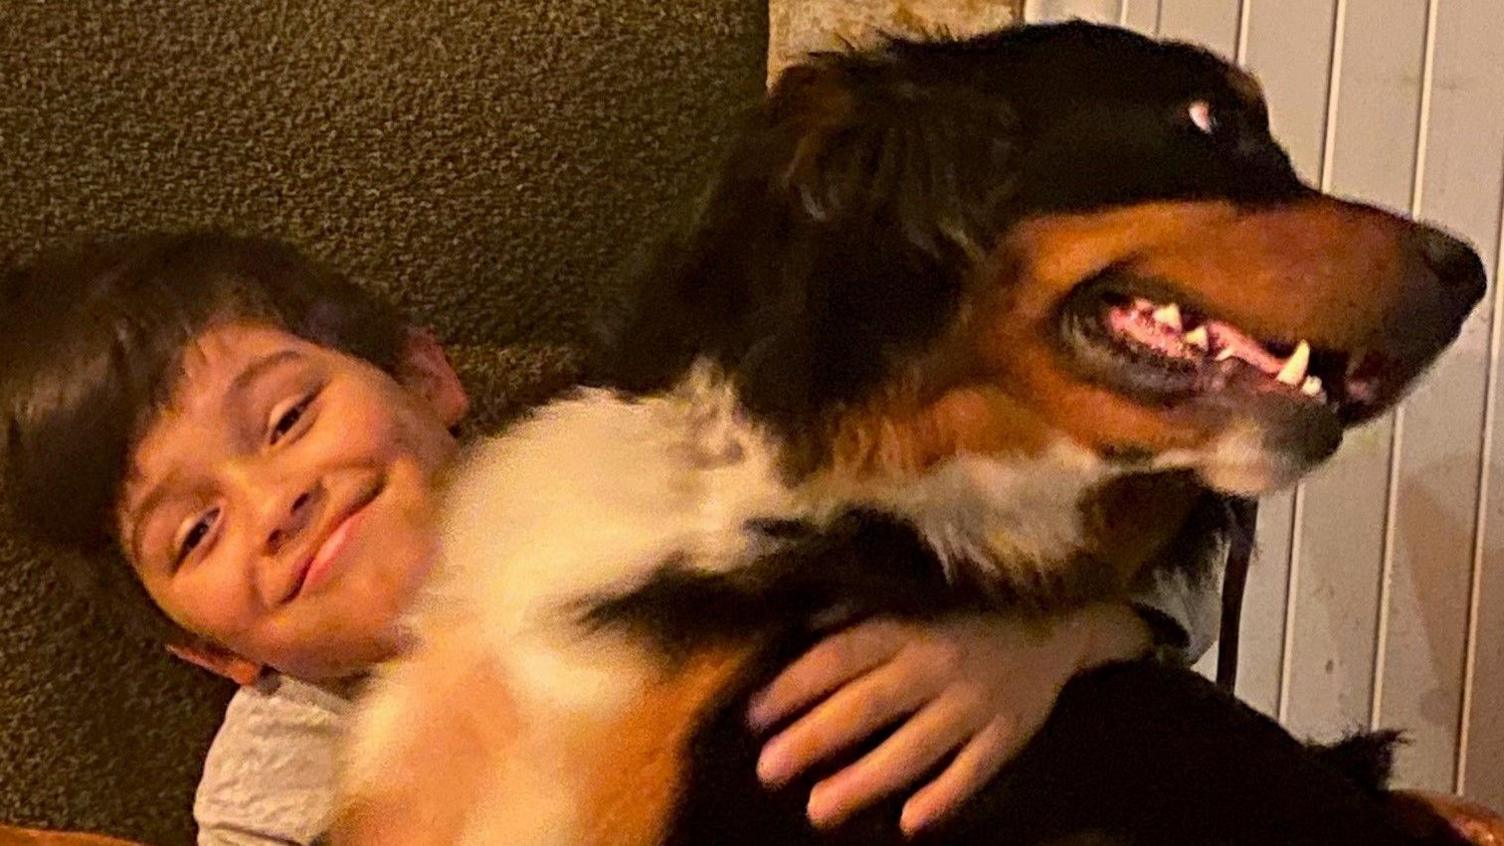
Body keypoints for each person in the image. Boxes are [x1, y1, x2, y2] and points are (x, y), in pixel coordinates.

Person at [0, 232, 1219, 844]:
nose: (275, 504)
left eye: (287, 415)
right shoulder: (274, 797)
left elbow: (1138, 614)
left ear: (426, 376)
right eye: (197, 530)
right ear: (209, 654)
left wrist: (1039, 647)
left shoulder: (640, 479)